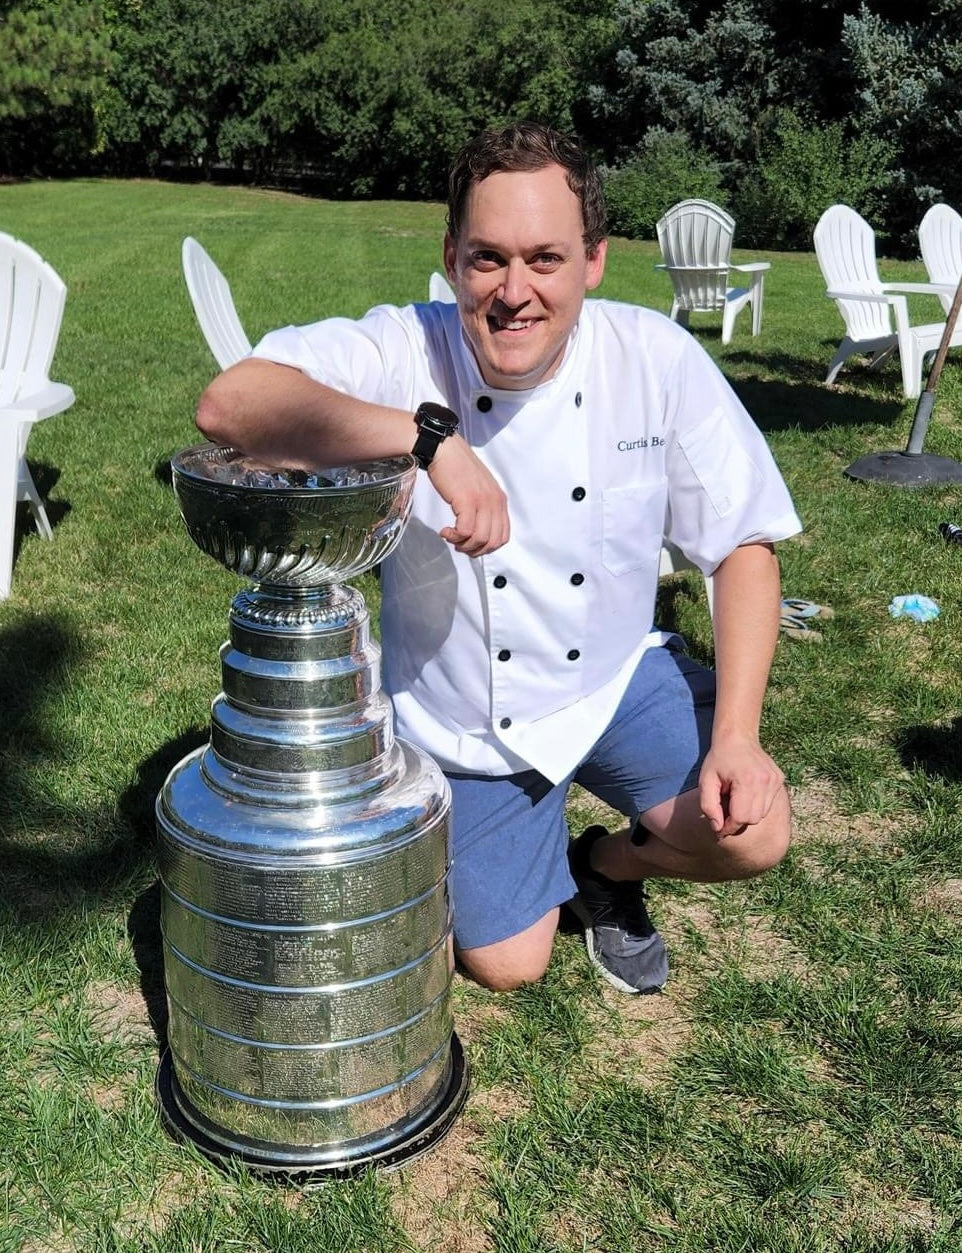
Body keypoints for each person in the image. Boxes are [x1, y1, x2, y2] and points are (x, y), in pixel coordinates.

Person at [195, 121, 802, 996]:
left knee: (755, 830)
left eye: (545, 259)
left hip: (608, 681)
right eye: (488, 258)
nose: (515, 291)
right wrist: (424, 437)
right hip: (465, 721)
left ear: (593, 260)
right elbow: (230, 404)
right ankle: (537, 858)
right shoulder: (406, 347)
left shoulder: (655, 359)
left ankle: (606, 867)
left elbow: (742, 544)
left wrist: (738, 737)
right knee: (507, 964)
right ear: (450, 258)